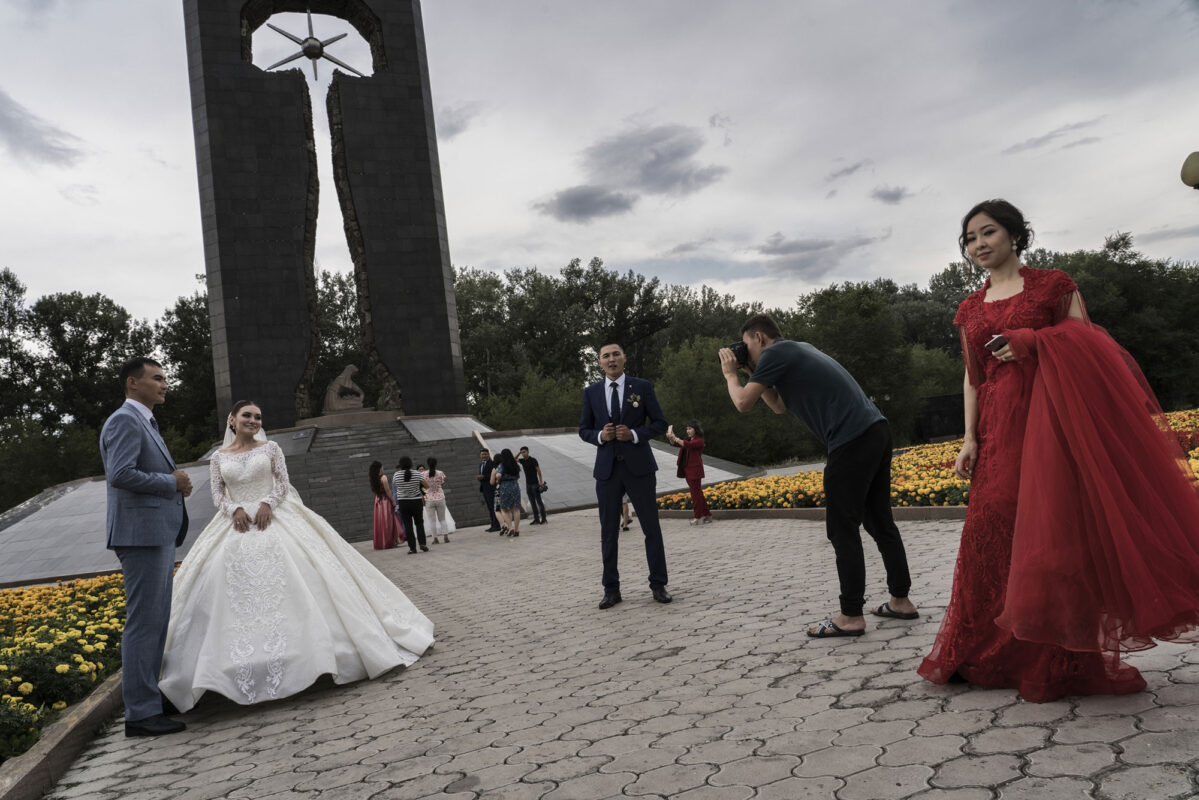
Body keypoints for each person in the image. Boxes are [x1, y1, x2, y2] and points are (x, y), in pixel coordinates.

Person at [918, 199, 1199, 702]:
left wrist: (1033, 339)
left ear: (1014, 235)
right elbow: (972, 375)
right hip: (1001, 426)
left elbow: (1091, 344)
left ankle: (1058, 658)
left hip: (1056, 423)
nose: (978, 244)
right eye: (970, 238)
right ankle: (987, 650)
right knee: (992, 528)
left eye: (988, 233)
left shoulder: (1053, 284)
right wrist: (969, 437)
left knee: (1058, 533)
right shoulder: (970, 307)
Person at [159, 401, 434, 712]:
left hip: (274, 516)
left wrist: (266, 503)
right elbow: (218, 494)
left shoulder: (272, 447)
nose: (253, 420)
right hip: (234, 523)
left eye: (258, 416)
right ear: (232, 420)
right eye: (246, 415)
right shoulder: (218, 458)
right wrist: (233, 509)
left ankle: (316, 655)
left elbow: (281, 483)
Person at [721, 314, 917, 637]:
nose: (744, 353)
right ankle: (901, 600)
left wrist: (731, 375)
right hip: (875, 430)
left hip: (850, 439)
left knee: (842, 529)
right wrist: (752, 372)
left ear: (759, 337)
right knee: (879, 521)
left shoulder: (774, 354)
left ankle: (850, 616)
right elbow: (779, 405)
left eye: (745, 346)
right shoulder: (794, 349)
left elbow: (742, 402)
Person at [100, 357, 192, 737]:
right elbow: (120, 474)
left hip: (155, 533)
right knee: (143, 623)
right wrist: (172, 482)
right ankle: (139, 713)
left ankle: (149, 699)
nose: (164, 383)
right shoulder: (125, 419)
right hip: (140, 535)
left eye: (165, 377)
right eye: (156, 378)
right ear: (132, 383)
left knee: (155, 623)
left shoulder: (146, 420)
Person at [579, 342, 671, 609]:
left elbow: (659, 423)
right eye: (606, 356)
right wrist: (600, 436)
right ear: (599, 362)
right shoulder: (591, 392)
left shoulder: (641, 387)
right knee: (608, 532)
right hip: (607, 471)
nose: (611, 360)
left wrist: (634, 434)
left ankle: (658, 584)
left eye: (615, 354)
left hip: (639, 467)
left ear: (624, 358)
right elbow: (583, 429)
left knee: (651, 528)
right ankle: (611, 589)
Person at [667, 420, 711, 525]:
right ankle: (707, 515)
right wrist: (671, 436)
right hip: (687, 470)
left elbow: (687, 444)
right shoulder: (688, 439)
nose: (688, 431)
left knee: (695, 495)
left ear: (696, 430)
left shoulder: (699, 440)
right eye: (687, 429)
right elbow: (675, 444)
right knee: (698, 494)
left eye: (690, 428)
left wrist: (675, 438)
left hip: (695, 470)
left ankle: (698, 517)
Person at [393, 456, 429, 553]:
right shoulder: (417, 473)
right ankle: (422, 544)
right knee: (419, 523)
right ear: (410, 464)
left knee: (408, 525)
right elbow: (427, 486)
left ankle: (412, 548)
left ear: (401, 465)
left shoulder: (396, 475)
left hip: (403, 502)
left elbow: (396, 485)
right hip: (416, 501)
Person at [369, 461, 401, 549]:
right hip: (385, 500)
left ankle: (382, 541)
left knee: (380, 521)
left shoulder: (373, 478)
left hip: (377, 500)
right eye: (382, 467)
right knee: (388, 520)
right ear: (380, 468)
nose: (383, 468)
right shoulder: (384, 477)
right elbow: (388, 491)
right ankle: (390, 541)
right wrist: (393, 501)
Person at [491, 448, 523, 537]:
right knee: (516, 509)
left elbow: (498, 475)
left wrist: (498, 479)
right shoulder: (515, 464)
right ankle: (517, 530)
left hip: (505, 487)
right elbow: (518, 476)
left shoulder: (502, 465)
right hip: (515, 486)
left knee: (504, 509)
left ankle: (510, 527)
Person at [422, 457, 453, 544]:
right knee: (442, 519)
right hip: (440, 497)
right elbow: (442, 482)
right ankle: (446, 537)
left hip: (429, 498)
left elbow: (422, 486)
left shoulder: (423, 474)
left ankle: (435, 539)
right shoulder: (440, 473)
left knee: (432, 520)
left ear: (427, 464)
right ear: (436, 464)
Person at [517, 446, 548, 525]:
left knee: (539, 502)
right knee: (532, 502)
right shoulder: (522, 461)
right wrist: (518, 453)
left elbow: (539, 471)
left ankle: (544, 519)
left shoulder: (533, 460)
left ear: (528, 452)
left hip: (535, 484)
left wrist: (540, 481)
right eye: (522, 452)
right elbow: (513, 460)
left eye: (524, 452)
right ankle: (536, 519)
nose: (523, 454)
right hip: (528, 484)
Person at [476, 449, 501, 532]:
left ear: (489, 454)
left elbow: (493, 475)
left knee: (493, 507)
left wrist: (484, 477)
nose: (484, 456)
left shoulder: (492, 464)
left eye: (486, 454)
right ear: (480, 455)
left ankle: (496, 525)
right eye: (482, 454)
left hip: (491, 488)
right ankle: (493, 524)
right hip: (484, 488)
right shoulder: (481, 465)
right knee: (490, 508)